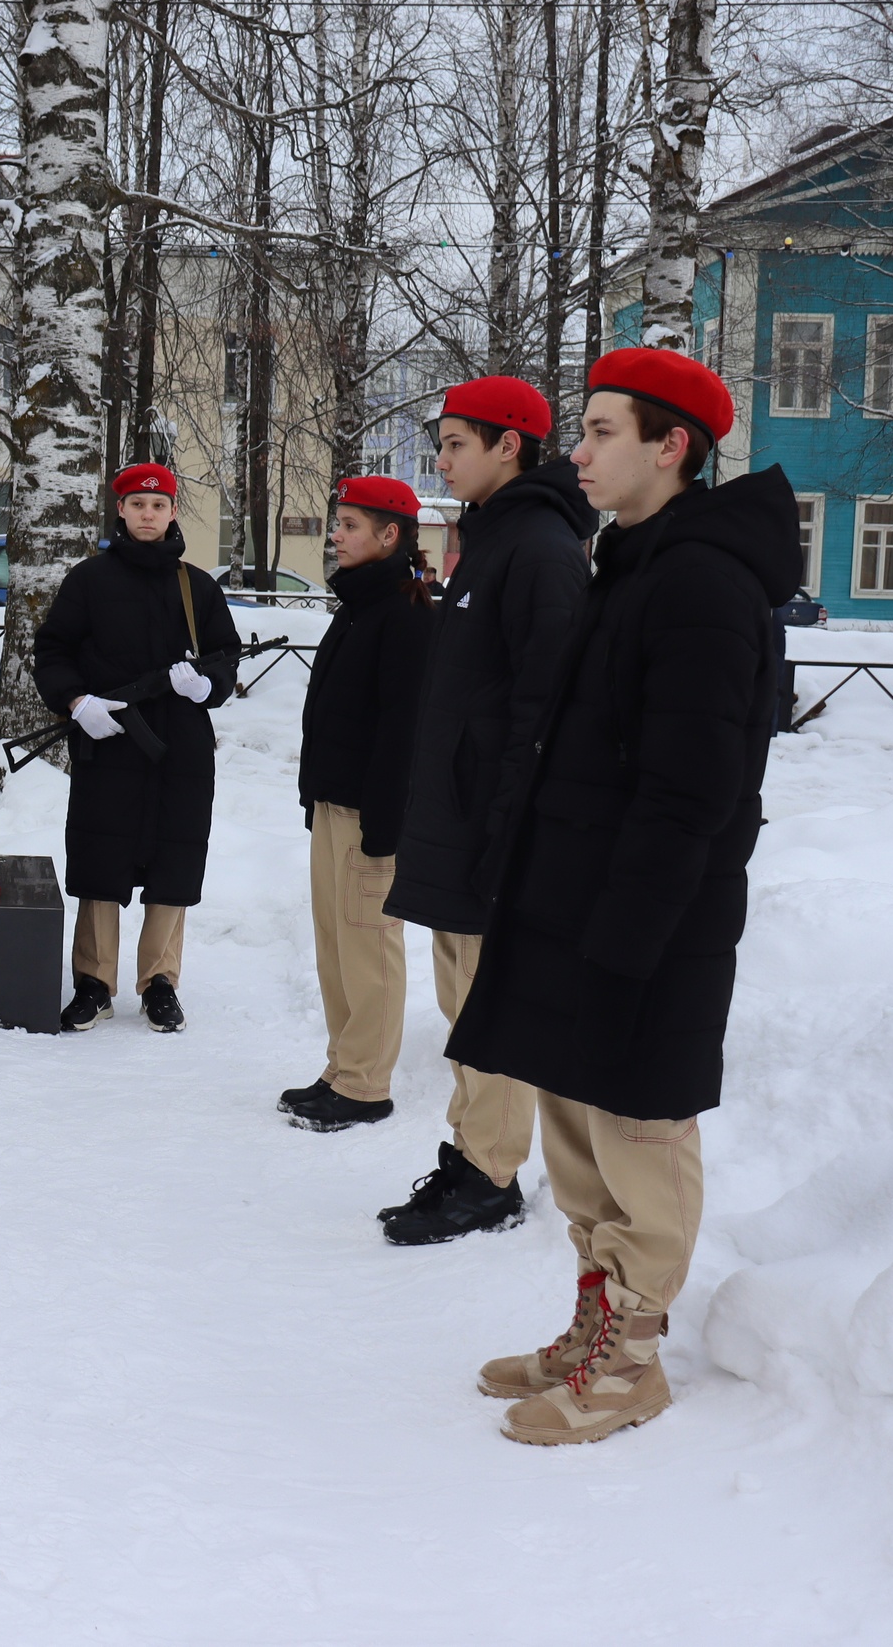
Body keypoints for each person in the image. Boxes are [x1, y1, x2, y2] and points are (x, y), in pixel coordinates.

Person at [450, 348, 799, 1445]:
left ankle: (632, 1359)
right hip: (573, 903)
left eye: (602, 431)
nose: (579, 450)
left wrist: (626, 940)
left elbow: (688, 790)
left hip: (645, 922)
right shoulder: (632, 561)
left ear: (671, 446)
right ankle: (589, 1323)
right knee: (577, 1125)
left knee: (639, 1129)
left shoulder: (701, 582)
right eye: (581, 428)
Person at [377, 377, 593, 1242]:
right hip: (457, 815)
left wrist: (506, 829)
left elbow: (542, 707)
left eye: (457, 442)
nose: (442, 458)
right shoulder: (494, 540)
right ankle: (470, 1156)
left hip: (487, 826)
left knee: (486, 1002)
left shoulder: (539, 548)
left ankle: (491, 1174)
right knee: (462, 996)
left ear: (511, 444)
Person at [34, 462, 240, 1033]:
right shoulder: (89, 580)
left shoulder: (197, 586)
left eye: (159, 505)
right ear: (120, 511)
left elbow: (225, 656)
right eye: (137, 505)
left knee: (173, 862)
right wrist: (77, 704)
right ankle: (94, 983)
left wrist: (206, 685)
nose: (148, 515)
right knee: (102, 859)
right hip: (111, 738)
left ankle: (161, 982)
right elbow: (53, 651)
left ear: (173, 512)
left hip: (181, 746)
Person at [279, 476, 435, 1129]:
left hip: (372, 815)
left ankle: (367, 1083)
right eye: (337, 523)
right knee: (335, 945)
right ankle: (342, 1066)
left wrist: (383, 826)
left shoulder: (404, 613)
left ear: (389, 534)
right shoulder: (360, 604)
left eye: (348, 525)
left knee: (369, 947)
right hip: (335, 804)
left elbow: (402, 731)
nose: (335, 535)